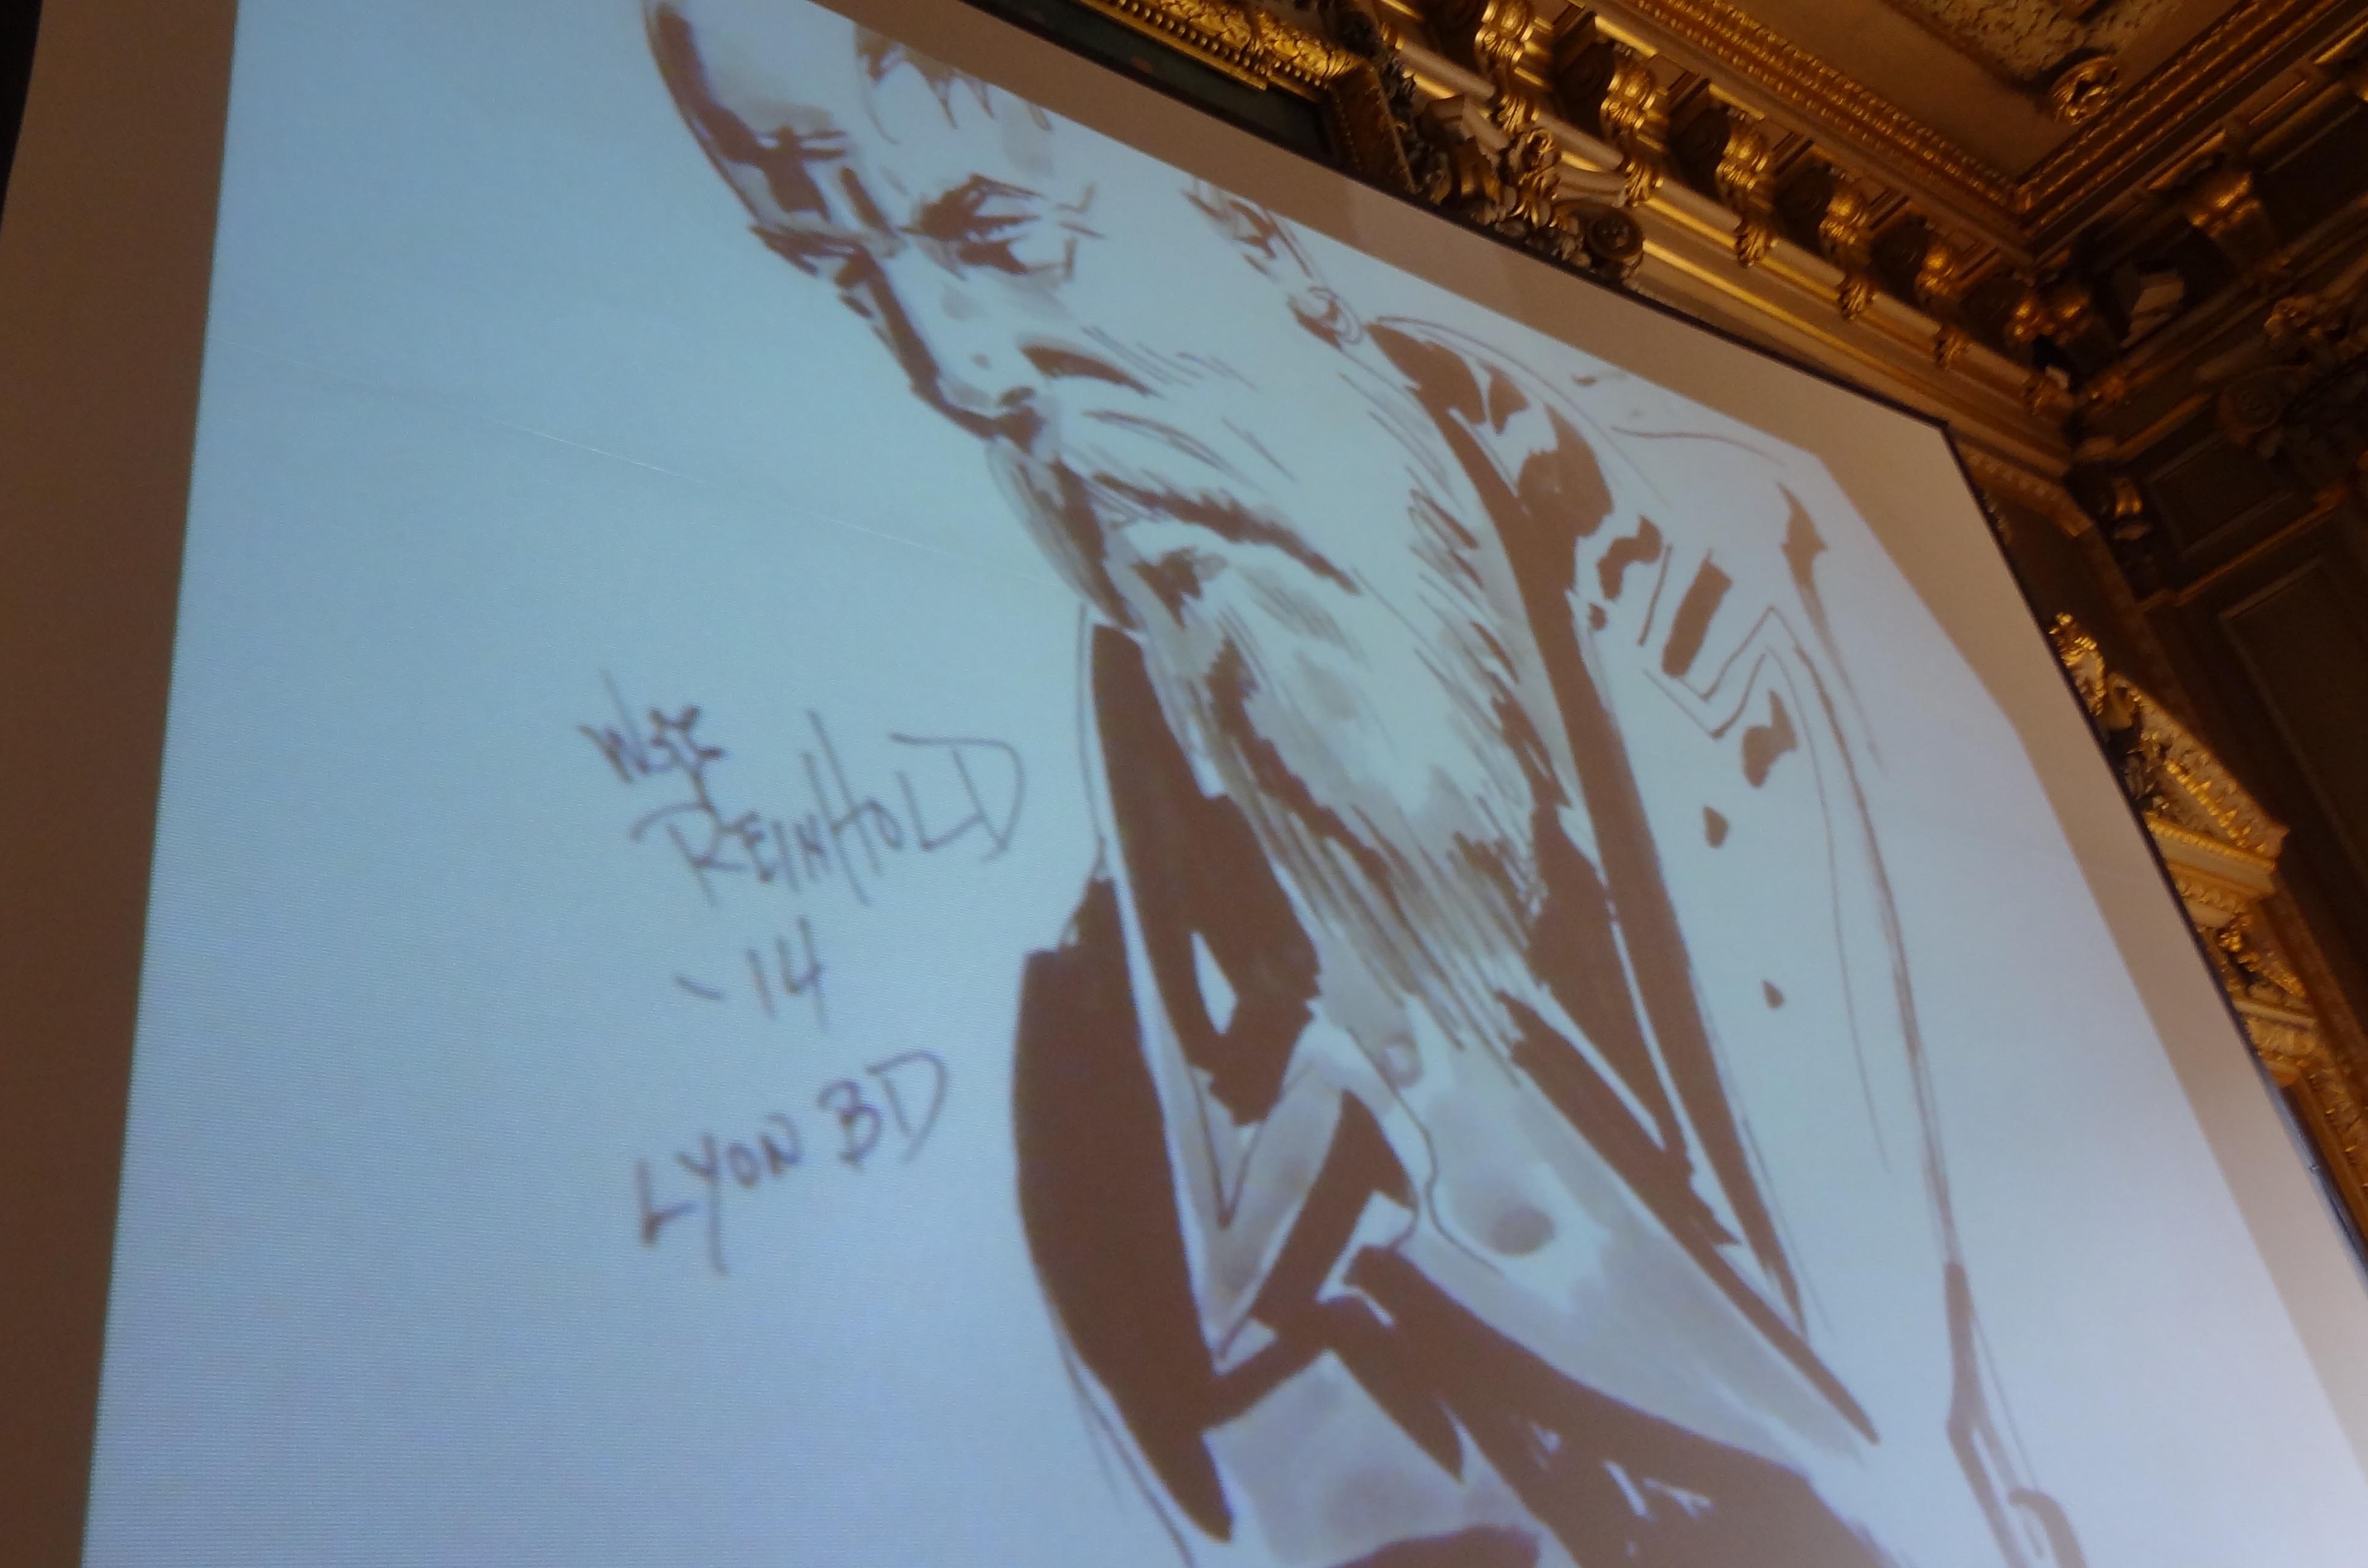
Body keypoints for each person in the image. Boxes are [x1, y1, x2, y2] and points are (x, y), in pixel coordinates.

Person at [644, 4, 2086, 1563]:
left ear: (1271, 244)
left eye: (992, 230)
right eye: (846, 275)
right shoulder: (1121, 1116)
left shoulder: (1824, 572)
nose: (954, 369)